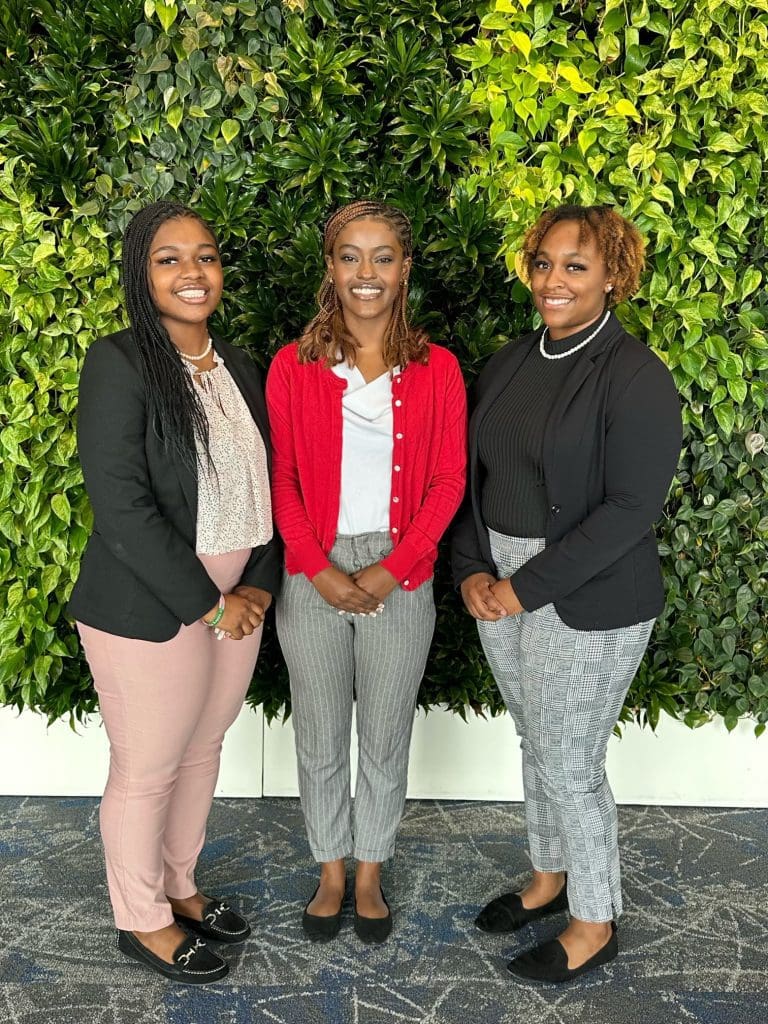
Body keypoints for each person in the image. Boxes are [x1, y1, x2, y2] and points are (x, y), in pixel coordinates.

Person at [452, 204, 682, 983]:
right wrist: (472, 570)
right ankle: (548, 878)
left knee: (569, 759)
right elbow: (476, 479)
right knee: (533, 739)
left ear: (612, 276)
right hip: (500, 585)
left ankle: (594, 919)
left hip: (587, 594)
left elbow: (629, 511)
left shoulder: (637, 375)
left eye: (576, 267)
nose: (554, 281)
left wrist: (524, 588)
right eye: (545, 263)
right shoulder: (512, 361)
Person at [69, 200, 280, 984]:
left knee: (202, 751)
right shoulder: (118, 363)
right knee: (148, 767)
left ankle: (180, 885)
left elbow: (271, 489)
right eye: (169, 258)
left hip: (238, 607)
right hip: (151, 610)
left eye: (206, 254)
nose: (193, 272)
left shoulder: (242, 368)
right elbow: (121, 504)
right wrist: (211, 602)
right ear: (141, 271)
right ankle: (142, 919)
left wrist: (255, 585)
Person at [266, 199, 467, 944]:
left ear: (404, 270)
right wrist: (317, 570)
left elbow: (449, 481)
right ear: (331, 267)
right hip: (312, 566)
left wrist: (392, 569)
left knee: (384, 733)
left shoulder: (438, 368)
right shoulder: (295, 365)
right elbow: (280, 477)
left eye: (383, 257)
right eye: (351, 255)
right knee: (320, 731)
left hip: (401, 569)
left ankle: (372, 869)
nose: (367, 273)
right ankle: (329, 870)